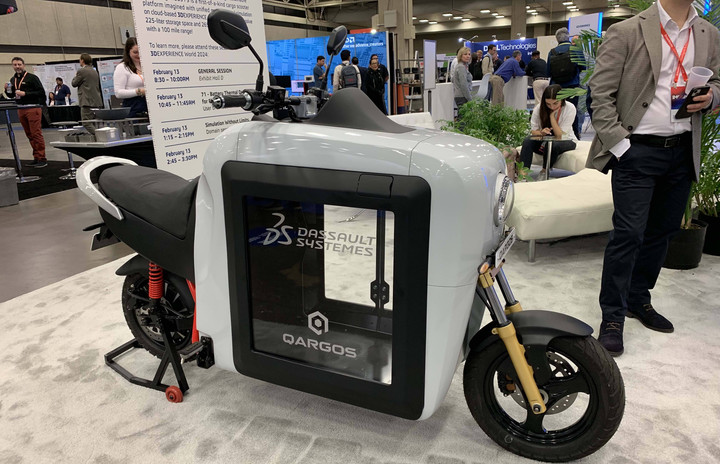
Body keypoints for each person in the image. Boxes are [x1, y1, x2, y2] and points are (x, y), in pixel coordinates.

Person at [589, 0, 720, 357]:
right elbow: (599, 94)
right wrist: (621, 145)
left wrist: (711, 96)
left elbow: (717, 80)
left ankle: (638, 297)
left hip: (682, 151)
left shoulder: (708, 33)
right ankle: (612, 316)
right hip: (637, 150)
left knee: (663, 231)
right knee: (628, 234)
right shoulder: (627, 31)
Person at [519, 84, 578, 172]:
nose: (552, 107)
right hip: (545, 140)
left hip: (567, 140)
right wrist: (541, 133)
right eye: (548, 104)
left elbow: (560, 136)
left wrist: (552, 117)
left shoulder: (570, 108)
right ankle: (523, 173)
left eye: (555, 103)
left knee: (552, 145)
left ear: (562, 99)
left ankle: (544, 171)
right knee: (528, 140)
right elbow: (533, 132)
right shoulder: (539, 108)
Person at [4, 57, 47, 167]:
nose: (17, 67)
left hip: (32, 108)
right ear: (12, 66)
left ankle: (42, 158)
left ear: (23, 65)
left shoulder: (32, 78)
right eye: (15, 65)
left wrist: (25, 94)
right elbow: (12, 95)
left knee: (36, 133)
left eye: (19, 64)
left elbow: (41, 93)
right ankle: (36, 157)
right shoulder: (13, 79)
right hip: (21, 108)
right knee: (29, 134)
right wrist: (6, 90)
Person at [547, 27, 584, 138]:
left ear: (557, 39)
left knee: (554, 111)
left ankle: (554, 135)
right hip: (572, 87)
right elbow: (583, 66)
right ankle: (574, 136)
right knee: (573, 111)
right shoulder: (575, 49)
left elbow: (548, 72)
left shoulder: (552, 52)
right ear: (568, 37)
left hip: (556, 88)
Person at [113, 37, 147, 117]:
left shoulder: (146, 66)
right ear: (128, 51)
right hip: (133, 107)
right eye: (135, 52)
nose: (138, 55)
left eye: (140, 52)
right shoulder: (122, 67)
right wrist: (139, 91)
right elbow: (118, 93)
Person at [72, 53, 103, 134]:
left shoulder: (81, 71)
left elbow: (74, 83)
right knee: (94, 122)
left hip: (87, 102)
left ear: (82, 60)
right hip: (97, 101)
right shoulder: (94, 71)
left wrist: (75, 76)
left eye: (80, 60)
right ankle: (97, 137)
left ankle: (99, 135)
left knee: (86, 122)